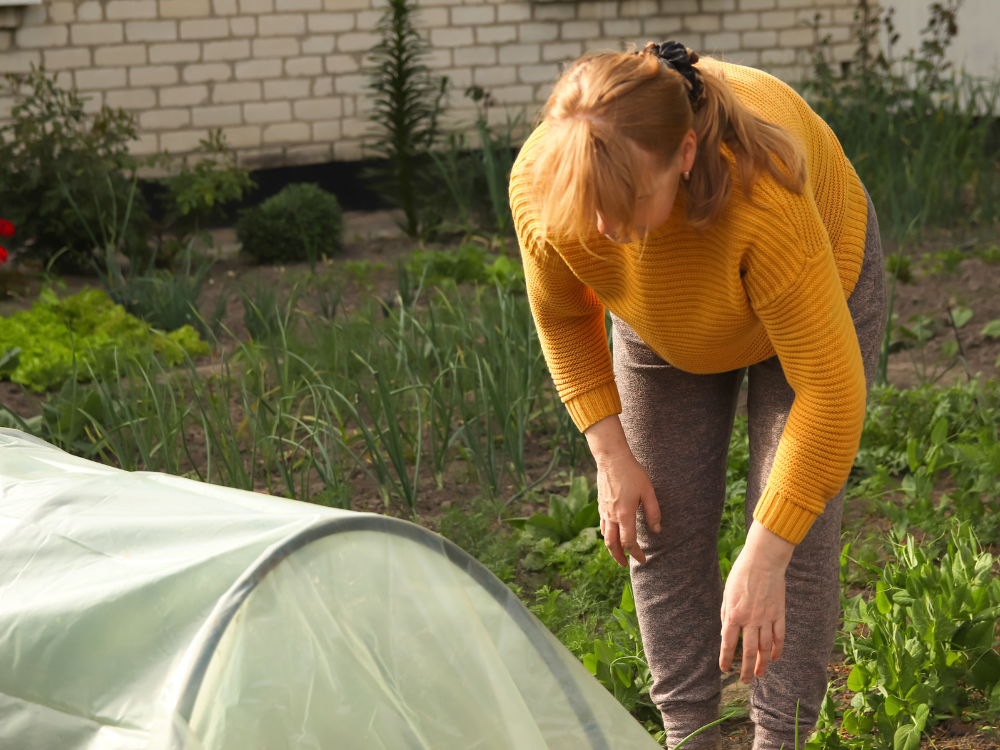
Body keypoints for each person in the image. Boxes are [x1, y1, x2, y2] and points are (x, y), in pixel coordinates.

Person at [508, 41, 887, 750]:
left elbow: (830, 395)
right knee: (657, 520)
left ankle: (780, 737)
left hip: (814, 285)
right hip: (663, 322)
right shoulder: (546, 184)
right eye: (591, 211)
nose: (606, 233)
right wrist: (609, 452)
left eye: (627, 207)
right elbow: (563, 314)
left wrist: (766, 552)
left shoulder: (762, 192)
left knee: (788, 533)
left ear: (685, 155)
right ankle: (691, 736)